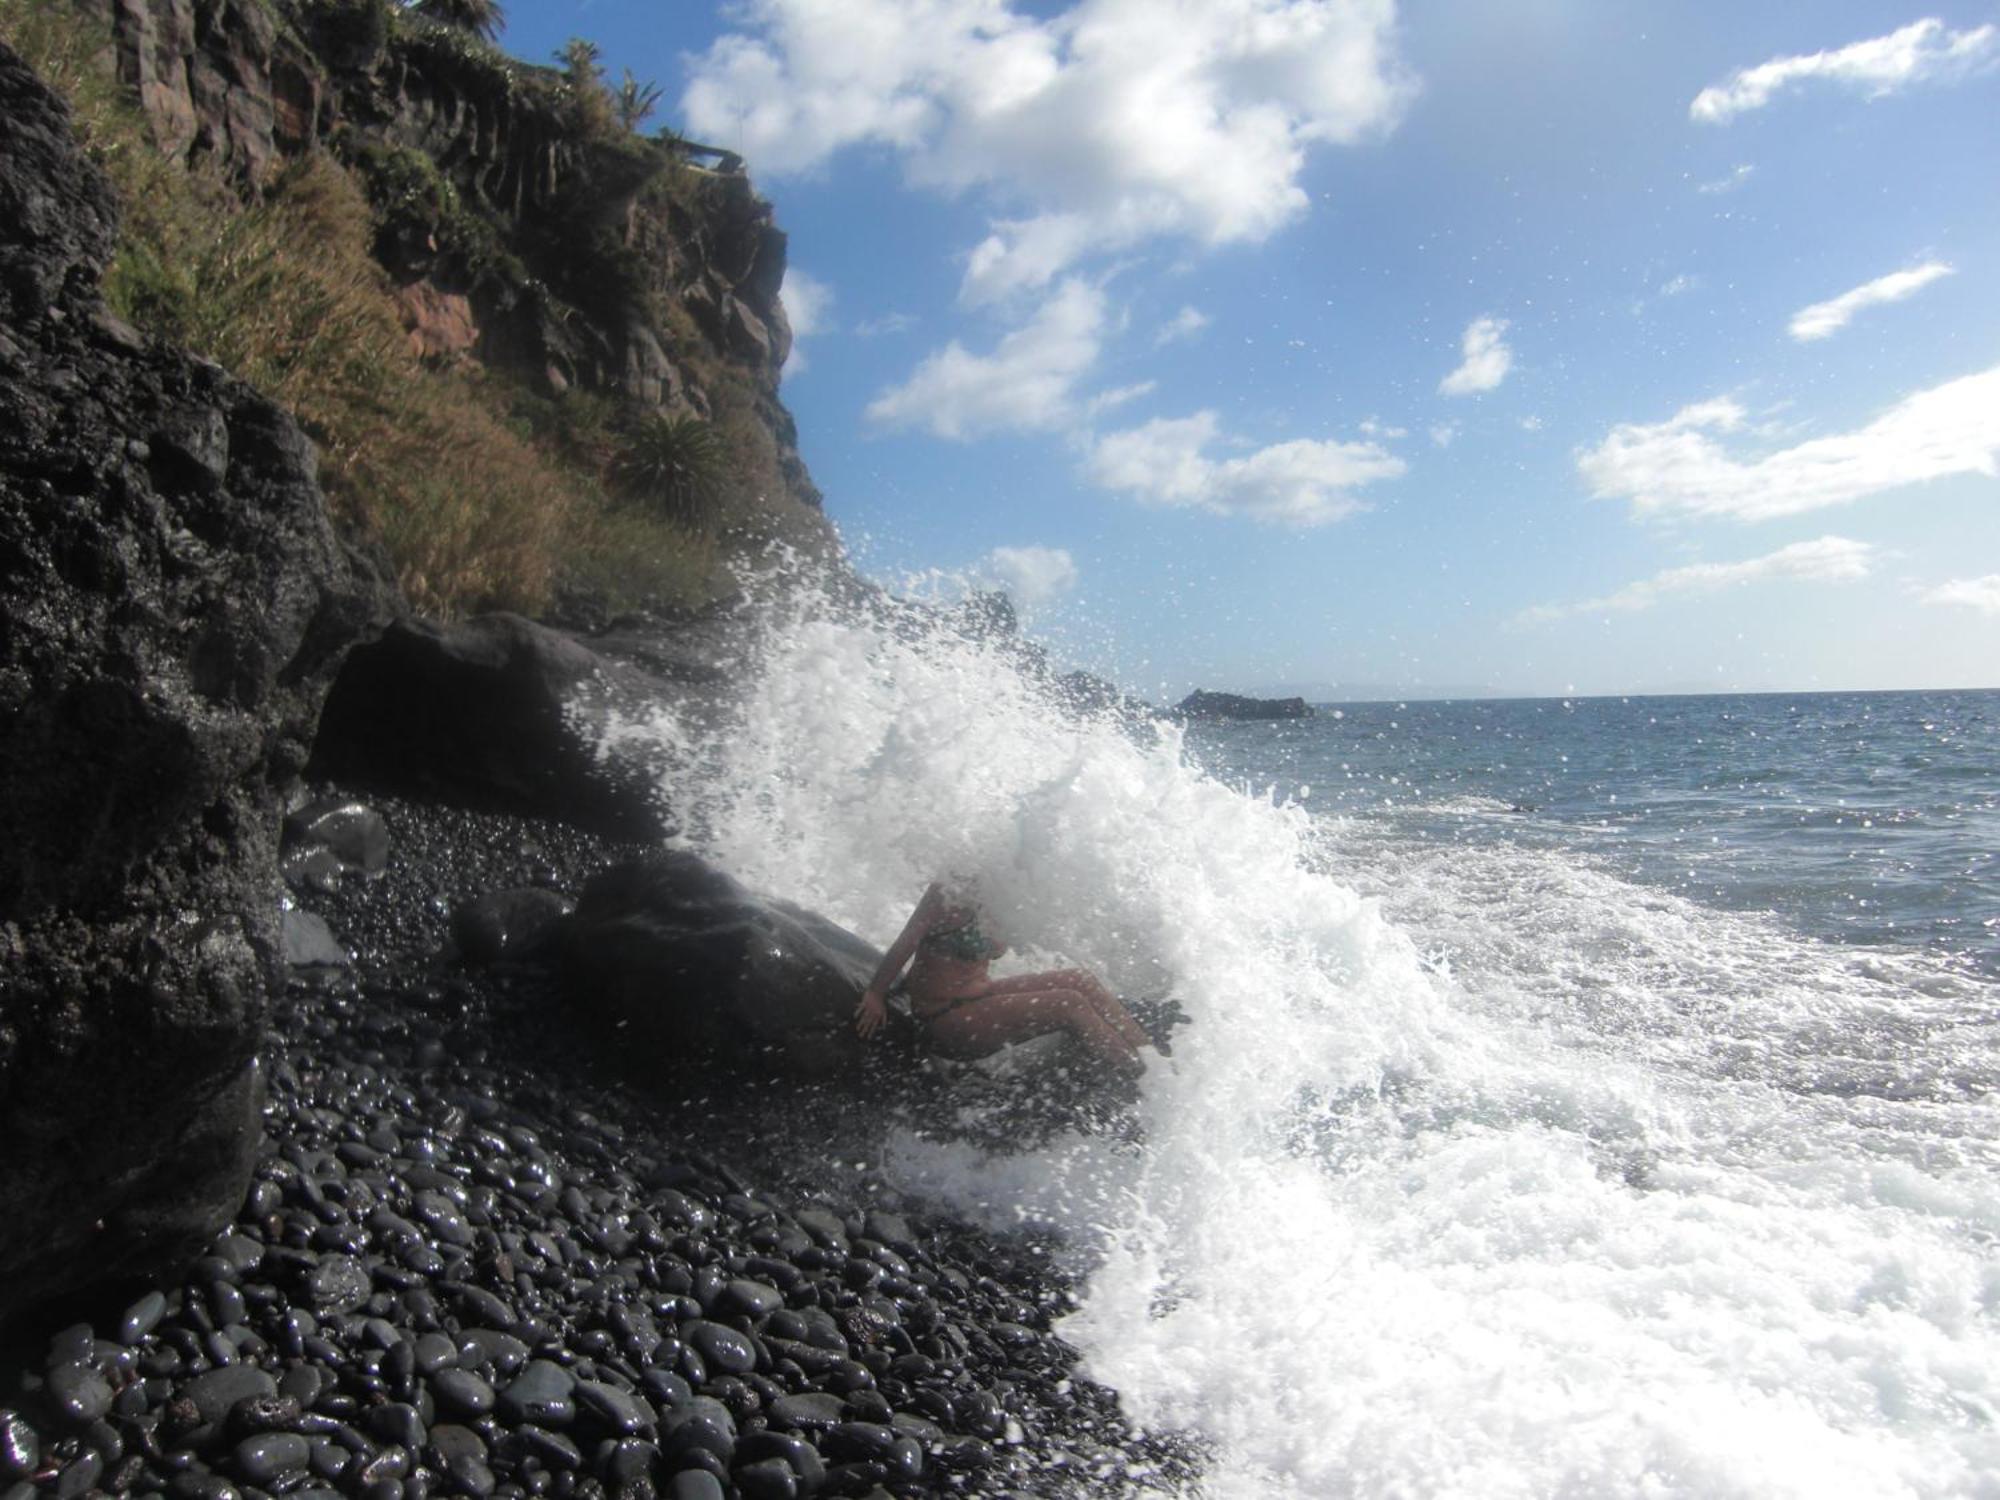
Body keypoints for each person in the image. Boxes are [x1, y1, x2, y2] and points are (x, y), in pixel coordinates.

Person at [853, 880, 1152, 1075]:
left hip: (981, 997)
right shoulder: (946, 893)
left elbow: (994, 951)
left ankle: (1149, 1056)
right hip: (946, 1020)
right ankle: (1138, 1075)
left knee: (1080, 979)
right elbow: (907, 941)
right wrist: (876, 993)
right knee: (1068, 1002)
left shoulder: (1003, 894)